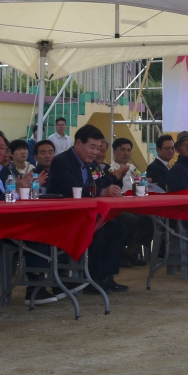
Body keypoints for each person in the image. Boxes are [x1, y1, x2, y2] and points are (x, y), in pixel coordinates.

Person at [45, 124, 129, 292]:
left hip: (85, 215)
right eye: (92, 147)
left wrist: (113, 180)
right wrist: (102, 191)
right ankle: (90, 280)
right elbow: (74, 188)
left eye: (98, 148)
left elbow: (97, 184)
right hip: (62, 217)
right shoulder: (62, 161)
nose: (96, 152)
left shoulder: (89, 164)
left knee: (119, 228)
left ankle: (105, 276)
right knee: (98, 231)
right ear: (77, 144)